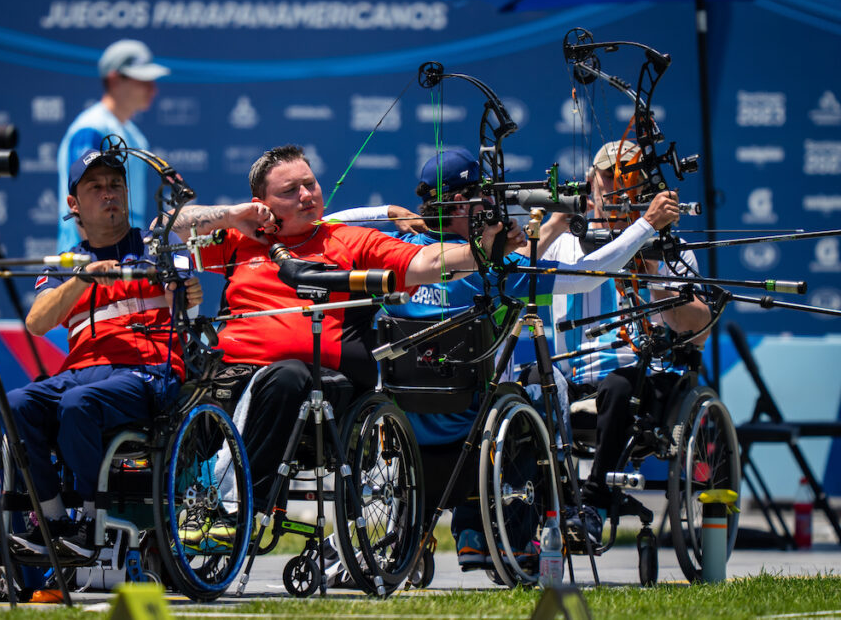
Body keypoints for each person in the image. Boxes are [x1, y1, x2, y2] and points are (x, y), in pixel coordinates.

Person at [375, 147, 683, 569]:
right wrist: (647, 224)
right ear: (465, 204)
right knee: (540, 390)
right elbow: (587, 275)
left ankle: (464, 531)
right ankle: (512, 537)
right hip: (468, 425)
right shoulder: (493, 268)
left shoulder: (390, 250)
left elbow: (332, 222)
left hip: (404, 425)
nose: (490, 207)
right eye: (483, 200)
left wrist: (387, 210)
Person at [169, 144, 526, 506]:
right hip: (232, 374)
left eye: (310, 184)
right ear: (262, 203)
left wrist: (482, 249)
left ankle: (238, 509)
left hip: (313, 386)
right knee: (173, 382)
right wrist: (232, 215)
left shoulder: (349, 239)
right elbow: (165, 230)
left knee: (285, 376)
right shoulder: (239, 239)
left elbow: (426, 260)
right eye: (290, 191)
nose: (306, 195)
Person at [10, 149, 200, 556]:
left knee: (80, 403)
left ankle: (93, 524)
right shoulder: (66, 264)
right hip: (84, 371)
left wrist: (183, 290)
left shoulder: (158, 244)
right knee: (16, 404)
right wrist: (83, 277)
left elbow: (188, 296)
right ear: (73, 204)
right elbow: (37, 323)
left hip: (149, 370)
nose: (108, 192)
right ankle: (53, 519)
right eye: (95, 186)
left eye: (116, 184)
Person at [536, 140, 709, 544]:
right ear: (591, 181)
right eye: (610, 177)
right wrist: (555, 222)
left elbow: (699, 327)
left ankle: (592, 504)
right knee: (528, 381)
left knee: (617, 385)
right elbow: (512, 276)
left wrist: (657, 284)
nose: (617, 189)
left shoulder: (667, 247)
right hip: (571, 377)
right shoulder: (563, 242)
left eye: (629, 179)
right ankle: (524, 517)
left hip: (644, 382)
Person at [56, 40, 169, 251]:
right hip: (92, 265)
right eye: (142, 80)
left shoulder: (135, 136)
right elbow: (84, 199)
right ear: (115, 80)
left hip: (123, 260)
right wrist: (100, 262)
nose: (152, 89)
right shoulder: (92, 127)